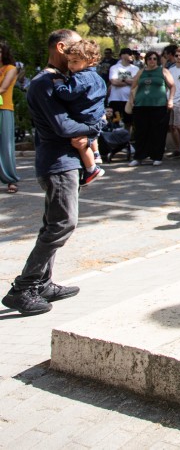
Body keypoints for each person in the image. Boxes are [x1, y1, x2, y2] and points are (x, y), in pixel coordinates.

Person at [1, 30, 85, 316]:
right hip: (57, 164)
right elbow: (64, 127)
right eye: (76, 46)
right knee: (62, 224)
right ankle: (23, 288)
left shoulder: (60, 81)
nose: (82, 50)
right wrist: (94, 127)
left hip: (66, 162)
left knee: (53, 223)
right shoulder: (44, 83)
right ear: (61, 48)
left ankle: (42, 282)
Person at [51, 39, 107, 186]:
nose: (70, 65)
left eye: (75, 61)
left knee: (80, 144)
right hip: (95, 117)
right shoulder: (98, 78)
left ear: (91, 60)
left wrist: (58, 84)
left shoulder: (80, 78)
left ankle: (91, 169)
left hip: (83, 118)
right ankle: (95, 157)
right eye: (69, 61)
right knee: (86, 142)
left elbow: (67, 94)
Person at [128, 51, 174, 167]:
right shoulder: (141, 72)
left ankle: (157, 156)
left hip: (159, 106)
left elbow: (172, 86)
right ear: (146, 60)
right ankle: (139, 157)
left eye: (154, 58)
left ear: (157, 60)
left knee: (157, 132)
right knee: (141, 132)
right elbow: (133, 87)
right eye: (149, 59)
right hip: (141, 105)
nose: (152, 61)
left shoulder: (163, 71)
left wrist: (171, 100)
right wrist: (132, 100)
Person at [0, 42, 23, 194]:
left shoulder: (11, 69)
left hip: (4, 109)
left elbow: (3, 88)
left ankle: (11, 180)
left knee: (6, 146)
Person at [107, 50, 138, 129]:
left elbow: (135, 81)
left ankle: (127, 138)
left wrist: (121, 79)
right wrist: (128, 81)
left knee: (129, 122)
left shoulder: (135, 68)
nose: (131, 56)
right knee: (115, 120)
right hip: (115, 99)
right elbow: (114, 81)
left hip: (129, 99)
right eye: (129, 54)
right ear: (122, 56)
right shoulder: (114, 68)